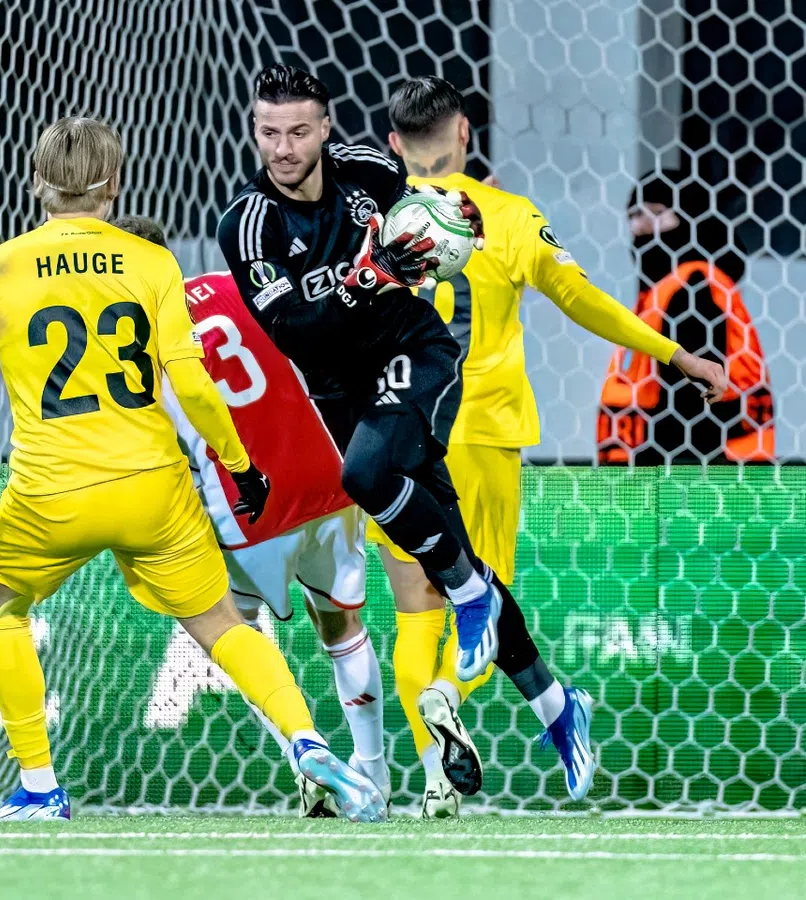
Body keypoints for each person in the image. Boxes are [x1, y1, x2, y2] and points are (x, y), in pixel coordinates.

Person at [0, 117, 385, 824]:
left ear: (33, 183)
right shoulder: (151, 264)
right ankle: (305, 741)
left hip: (50, 492)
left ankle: (39, 786)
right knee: (221, 625)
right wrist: (240, 468)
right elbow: (195, 384)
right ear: (114, 185)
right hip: (154, 487)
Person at [212, 63, 591, 812]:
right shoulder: (246, 224)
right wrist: (369, 272)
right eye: (267, 132)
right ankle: (554, 703)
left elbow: (432, 226)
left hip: (415, 355)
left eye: (297, 131)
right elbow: (292, 328)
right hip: (338, 392)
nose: (282, 147)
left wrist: (452, 228)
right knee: (445, 538)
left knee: (366, 480)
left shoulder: (371, 171)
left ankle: (472, 599)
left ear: (325, 128)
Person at [380, 75, 732, 816]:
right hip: (479, 429)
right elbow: (584, 301)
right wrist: (678, 357)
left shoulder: (371, 221)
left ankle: (435, 774)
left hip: (393, 433)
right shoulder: (508, 216)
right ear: (466, 135)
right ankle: (455, 694)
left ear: (391, 146)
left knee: (415, 609)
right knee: (485, 589)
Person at [109, 215, 389, 818]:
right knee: (341, 626)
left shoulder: (137, 337)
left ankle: (311, 767)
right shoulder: (243, 284)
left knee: (238, 633)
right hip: (327, 472)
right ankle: (375, 777)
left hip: (248, 503)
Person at [600, 168, 774, 464]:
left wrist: (671, 470)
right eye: (632, 216)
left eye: (654, 212)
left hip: (690, 478)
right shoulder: (665, 290)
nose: (638, 226)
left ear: (688, 217)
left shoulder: (695, 287)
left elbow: (695, 392)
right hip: (690, 473)